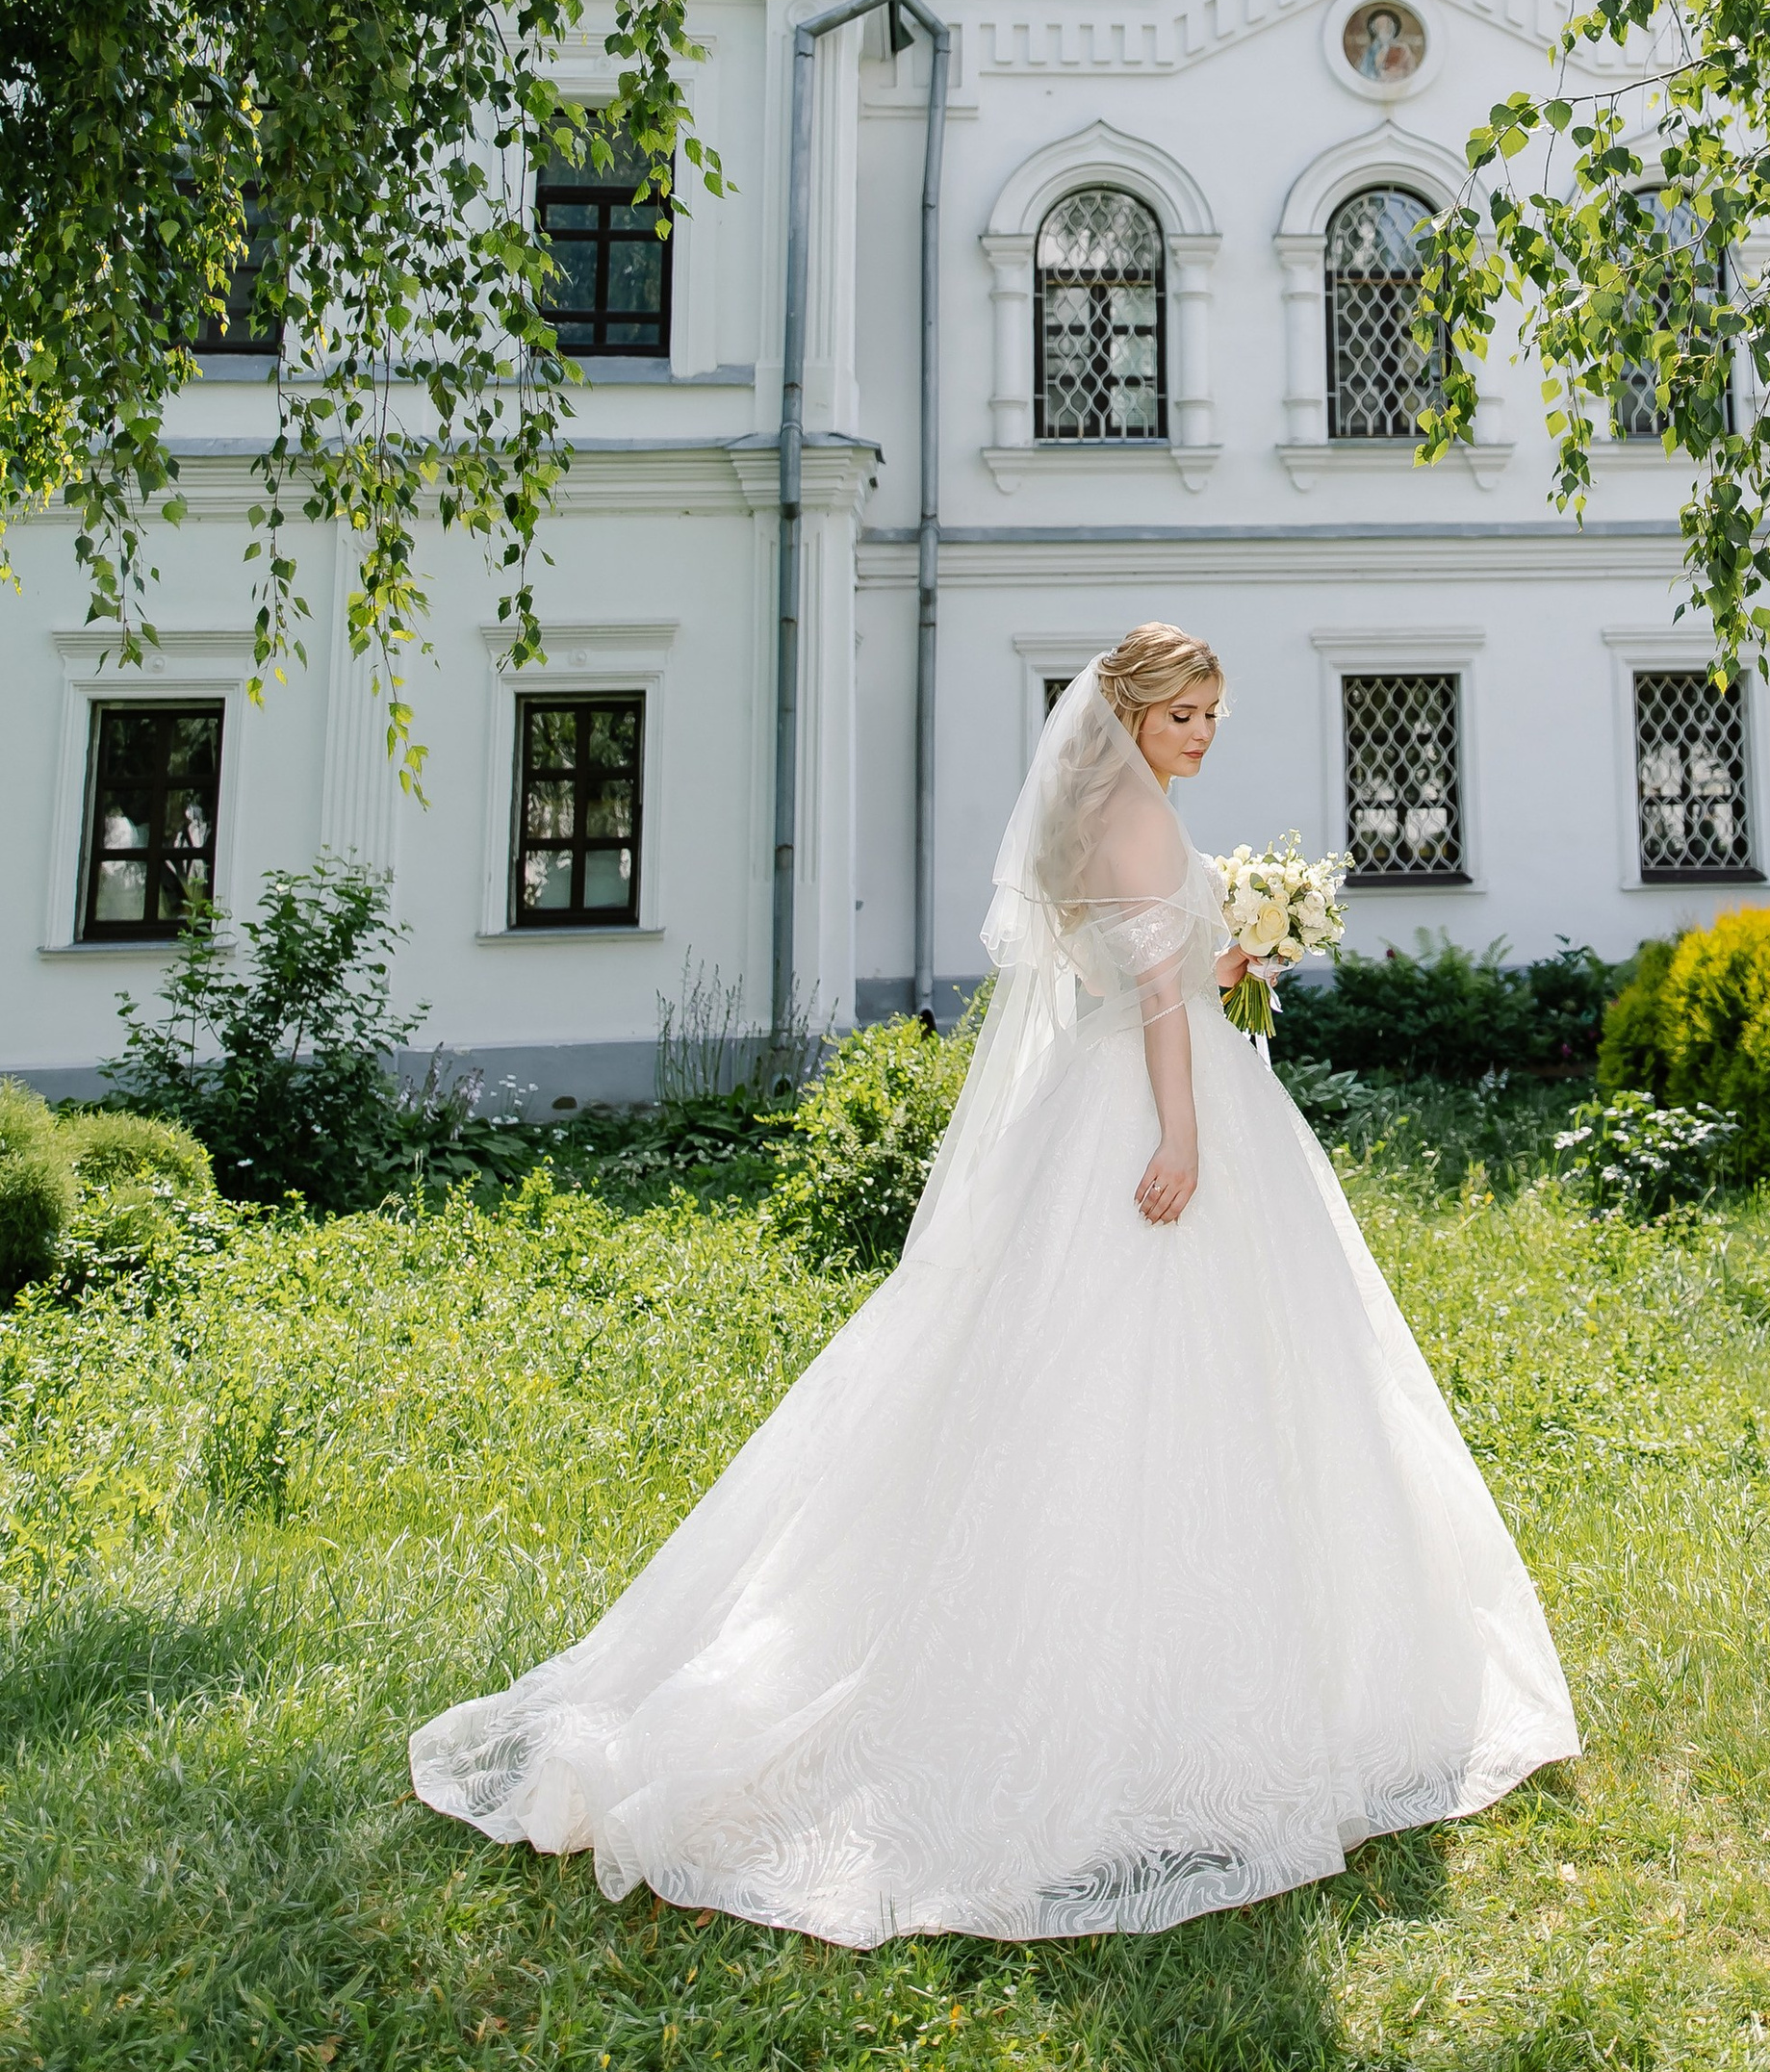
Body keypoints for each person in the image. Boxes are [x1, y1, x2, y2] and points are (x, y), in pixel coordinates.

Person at [409, 624, 1577, 1943]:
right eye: (1184, 712)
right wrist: (1181, 1134)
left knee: (1170, 1378)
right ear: (1129, 712)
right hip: (1150, 1108)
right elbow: (1147, 1002)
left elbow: (1158, 968)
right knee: (1151, 1386)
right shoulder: (1135, 827)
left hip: (1118, 1095)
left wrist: (1237, 950)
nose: (1201, 733)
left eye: (1212, 715)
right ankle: (1153, 1713)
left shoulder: (1109, 815)